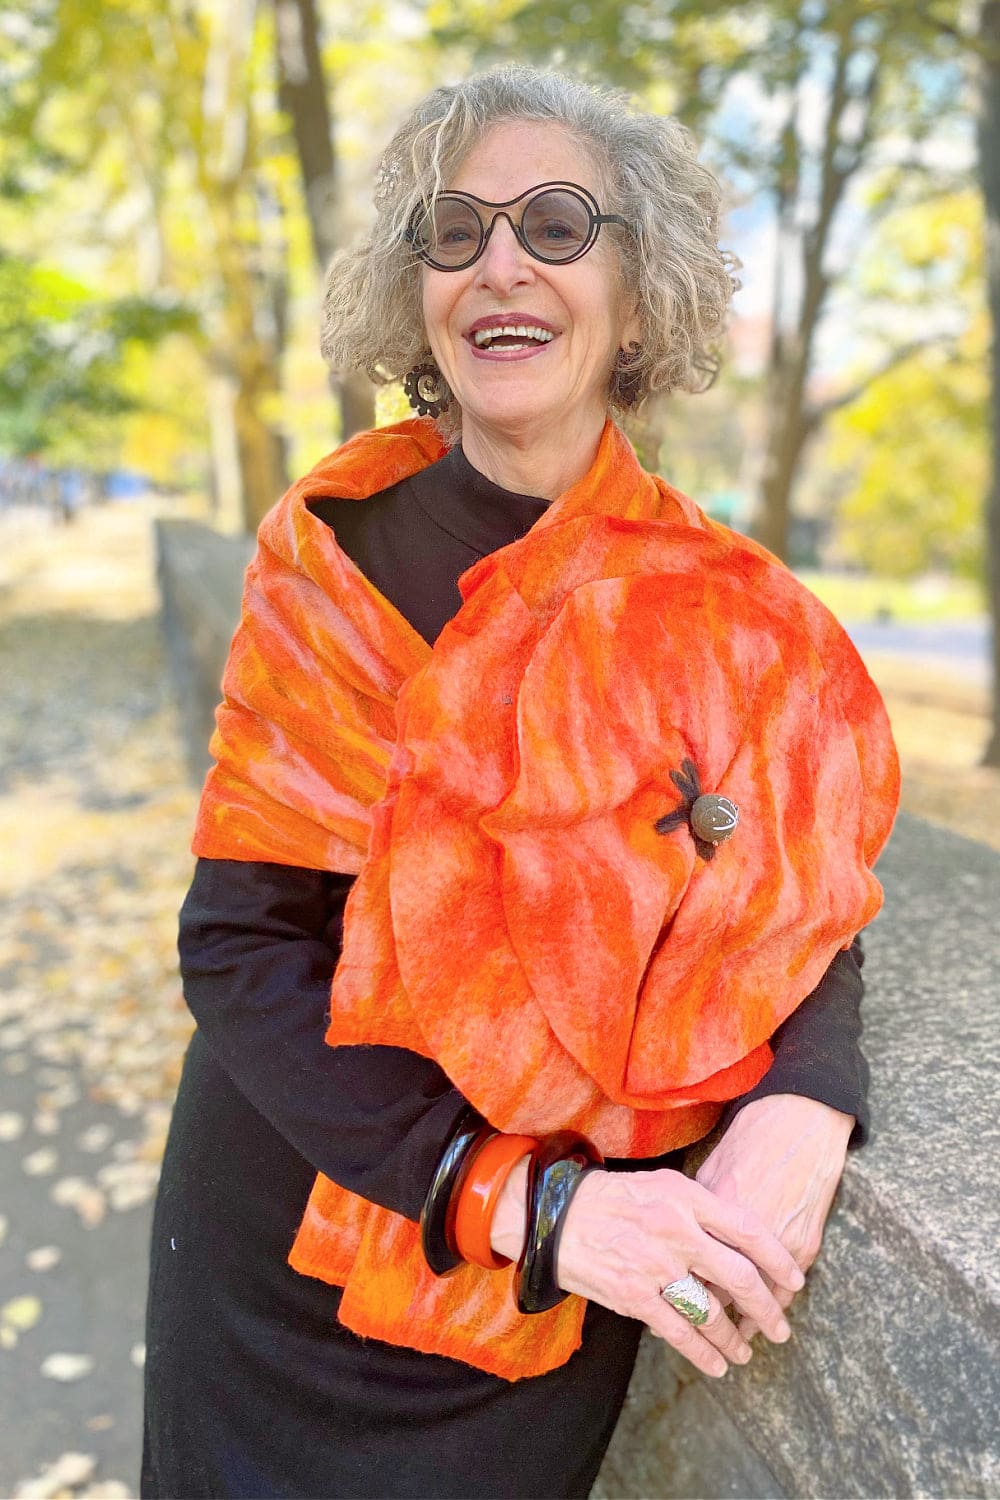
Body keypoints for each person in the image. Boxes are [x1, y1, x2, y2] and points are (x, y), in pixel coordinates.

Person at [142, 64, 899, 1500]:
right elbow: (238, 944)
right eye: (457, 230)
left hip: (531, 1333)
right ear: (418, 290)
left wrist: (811, 1097)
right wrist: (528, 1205)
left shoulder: (731, 612)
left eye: (559, 224)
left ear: (637, 290)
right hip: (292, 1238)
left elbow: (794, 894)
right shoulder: (327, 559)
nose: (503, 261)